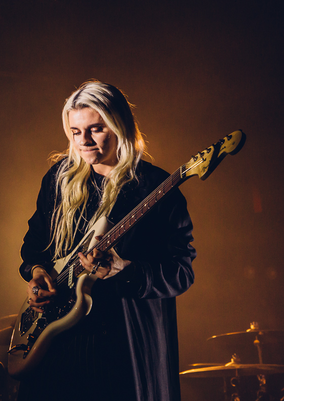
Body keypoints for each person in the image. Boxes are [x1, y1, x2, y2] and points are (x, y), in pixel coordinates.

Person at [16, 80, 196, 401]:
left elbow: (181, 273)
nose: (83, 141)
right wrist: (37, 273)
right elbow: (34, 247)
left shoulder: (155, 188)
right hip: (60, 343)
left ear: (119, 126)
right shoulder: (59, 180)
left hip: (123, 348)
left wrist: (124, 269)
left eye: (96, 129)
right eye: (75, 131)